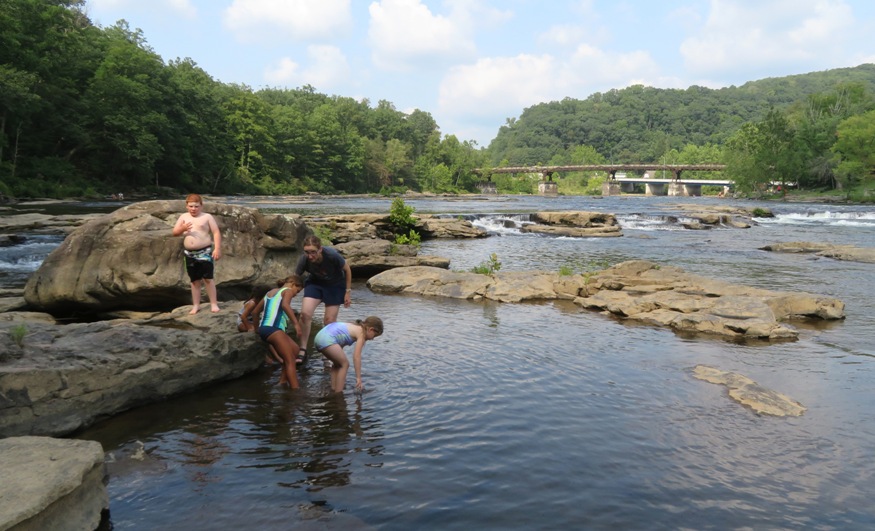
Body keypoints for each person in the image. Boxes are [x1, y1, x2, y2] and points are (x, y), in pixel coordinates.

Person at [294, 235, 352, 363]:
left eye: (313, 252)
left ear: (320, 249)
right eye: (307, 252)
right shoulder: (304, 259)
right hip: (315, 284)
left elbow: (347, 270)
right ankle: (302, 349)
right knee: (305, 314)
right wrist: (287, 292)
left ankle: (328, 350)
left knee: (329, 320)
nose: (310, 256)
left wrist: (347, 292)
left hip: (335, 285)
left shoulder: (332, 255)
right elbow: (295, 278)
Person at [241, 276, 304, 388]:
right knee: (290, 360)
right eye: (297, 291)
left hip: (265, 329)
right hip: (273, 329)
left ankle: (282, 382)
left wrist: (256, 330)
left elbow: (255, 312)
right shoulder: (287, 291)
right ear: (293, 284)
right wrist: (296, 324)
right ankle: (296, 390)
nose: (296, 294)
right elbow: (285, 305)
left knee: (295, 350)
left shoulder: (270, 292)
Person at [172, 194, 222, 314]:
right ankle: (196, 305)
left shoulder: (207, 217)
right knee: (194, 280)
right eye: (191, 206)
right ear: (186, 206)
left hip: (205, 251)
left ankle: (214, 304)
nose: (193, 209)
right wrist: (182, 228)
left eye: (196, 206)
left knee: (208, 278)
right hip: (189, 254)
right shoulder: (183, 217)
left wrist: (217, 248)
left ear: (201, 206)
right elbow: (174, 232)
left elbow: (216, 232)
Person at [313, 316, 383, 393]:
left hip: (319, 337)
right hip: (327, 339)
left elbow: (340, 341)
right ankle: (339, 393)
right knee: (345, 364)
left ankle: (333, 388)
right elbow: (356, 357)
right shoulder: (362, 333)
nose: (372, 339)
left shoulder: (354, 326)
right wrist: (358, 378)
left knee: (337, 364)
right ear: (371, 329)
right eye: (374, 336)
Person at [238, 286, 282, 365]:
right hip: (243, 322)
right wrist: (249, 328)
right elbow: (243, 317)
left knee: (267, 336)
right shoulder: (252, 304)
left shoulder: (260, 303)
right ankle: (266, 357)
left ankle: (277, 357)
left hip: (252, 321)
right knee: (259, 336)